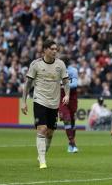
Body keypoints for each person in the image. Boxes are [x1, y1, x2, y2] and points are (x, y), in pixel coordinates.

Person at [21, 40, 69, 169]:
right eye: (52, 49)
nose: (55, 51)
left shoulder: (60, 64)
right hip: (39, 100)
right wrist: (23, 101)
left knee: (50, 133)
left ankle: (42, 154)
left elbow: (65, 81)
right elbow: (28, 84)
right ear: (45, 50)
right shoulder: (36, 64)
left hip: (54, 102)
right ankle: (42, 161)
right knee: (42, 129)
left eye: (56, 49)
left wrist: (67, 95)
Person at [59, 56, 79, 153]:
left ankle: (70, 145)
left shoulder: (73, 71)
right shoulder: (57, 70)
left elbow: (75, 84)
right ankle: (73, 143)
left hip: (72, 98)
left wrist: (62, 85)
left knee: (72, 122)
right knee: (66, 120)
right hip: (62, 97)